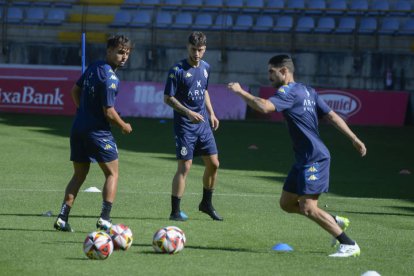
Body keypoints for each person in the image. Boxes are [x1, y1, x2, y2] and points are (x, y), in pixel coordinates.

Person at [227, 54, 367, 257]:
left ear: (284, 71)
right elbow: (332, 115)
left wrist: (240, 91)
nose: (269, 77)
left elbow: (264, 107)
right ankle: (331, 219)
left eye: (271, 72)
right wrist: (353, 138)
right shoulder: (307, 90)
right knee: (286, 204)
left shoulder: (288, 92)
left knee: (308, 207)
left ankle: (348, 244)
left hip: (314, 158)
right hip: (303, 158)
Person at [54, 35, 133, 232]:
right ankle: (105, 219)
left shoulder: (94, 66)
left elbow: (74, 91)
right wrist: (123, 125)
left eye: (127, 53)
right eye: (120, 52)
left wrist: (84, 112)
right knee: (112, 174)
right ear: (109, 52)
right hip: (97, 133)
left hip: (78, 128)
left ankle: (62, 218)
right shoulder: (111, 78)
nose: (123, 57)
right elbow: (109, 111)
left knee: (79, 175)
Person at [163, 31, 222, 221]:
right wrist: (188, 112)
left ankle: (206, 203)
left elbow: (204, 91)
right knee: (185, 167)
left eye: (200, 50)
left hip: (203, 124)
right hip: (185, 126)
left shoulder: (206, 67)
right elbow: (167, 98)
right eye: (193, 49)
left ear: (205, 50)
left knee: (214, 164)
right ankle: (175, 211)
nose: (196, 53)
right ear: (187, 47)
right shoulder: (177, 70)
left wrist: (212, 113)